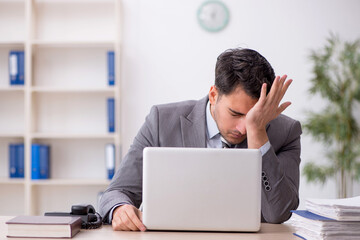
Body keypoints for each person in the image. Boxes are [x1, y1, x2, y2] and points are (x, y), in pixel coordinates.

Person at [99, 48, 302, 231]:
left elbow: (278, 213)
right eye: (235, 113)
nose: (243, 128)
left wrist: (257, 131)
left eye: (252, 116)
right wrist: (120, 209)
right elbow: (116, 192)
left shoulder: (286, 132)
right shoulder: (162, 120)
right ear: (213, 95)